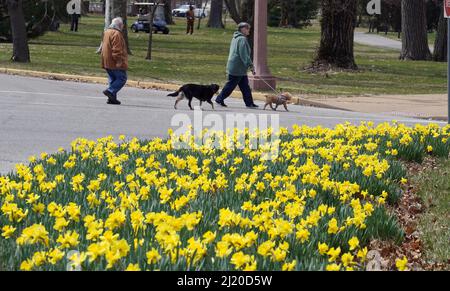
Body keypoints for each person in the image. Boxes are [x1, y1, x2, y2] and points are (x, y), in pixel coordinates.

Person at [215, 22, 258, 108]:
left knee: (245, 86)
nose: (249, 30)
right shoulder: (242, 39)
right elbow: (244, 54)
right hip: (237, 67)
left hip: (238, 67)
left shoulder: (236, 37)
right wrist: (251, 66)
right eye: (247, 28)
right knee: (231, 85)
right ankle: (219, 99)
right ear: (242, 29)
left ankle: (249, 103)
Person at [101, 17, 128, 105]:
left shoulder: (107, 32)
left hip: (106, 60)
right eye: (122, 24)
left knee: (113, 79)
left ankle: (112, 98)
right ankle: (110, 91)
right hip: (114, 61)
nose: (123, 26)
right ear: (120, 25)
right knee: (122, 78)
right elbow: (117, 49)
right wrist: (119, 60)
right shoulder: (116, 34)